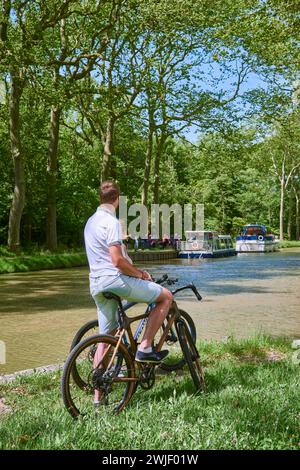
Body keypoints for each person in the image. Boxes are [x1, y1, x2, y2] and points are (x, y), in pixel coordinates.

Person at [84, 181, 173, 405]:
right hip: (115, 280)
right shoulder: (111, 222)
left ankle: (98, 396)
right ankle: (145, 347)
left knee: (106, 339)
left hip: (96, 283)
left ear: (100, 198)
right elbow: (117, 261)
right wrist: (140, 274)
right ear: (117, 199)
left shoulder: (90, 222)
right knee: (165, 296)